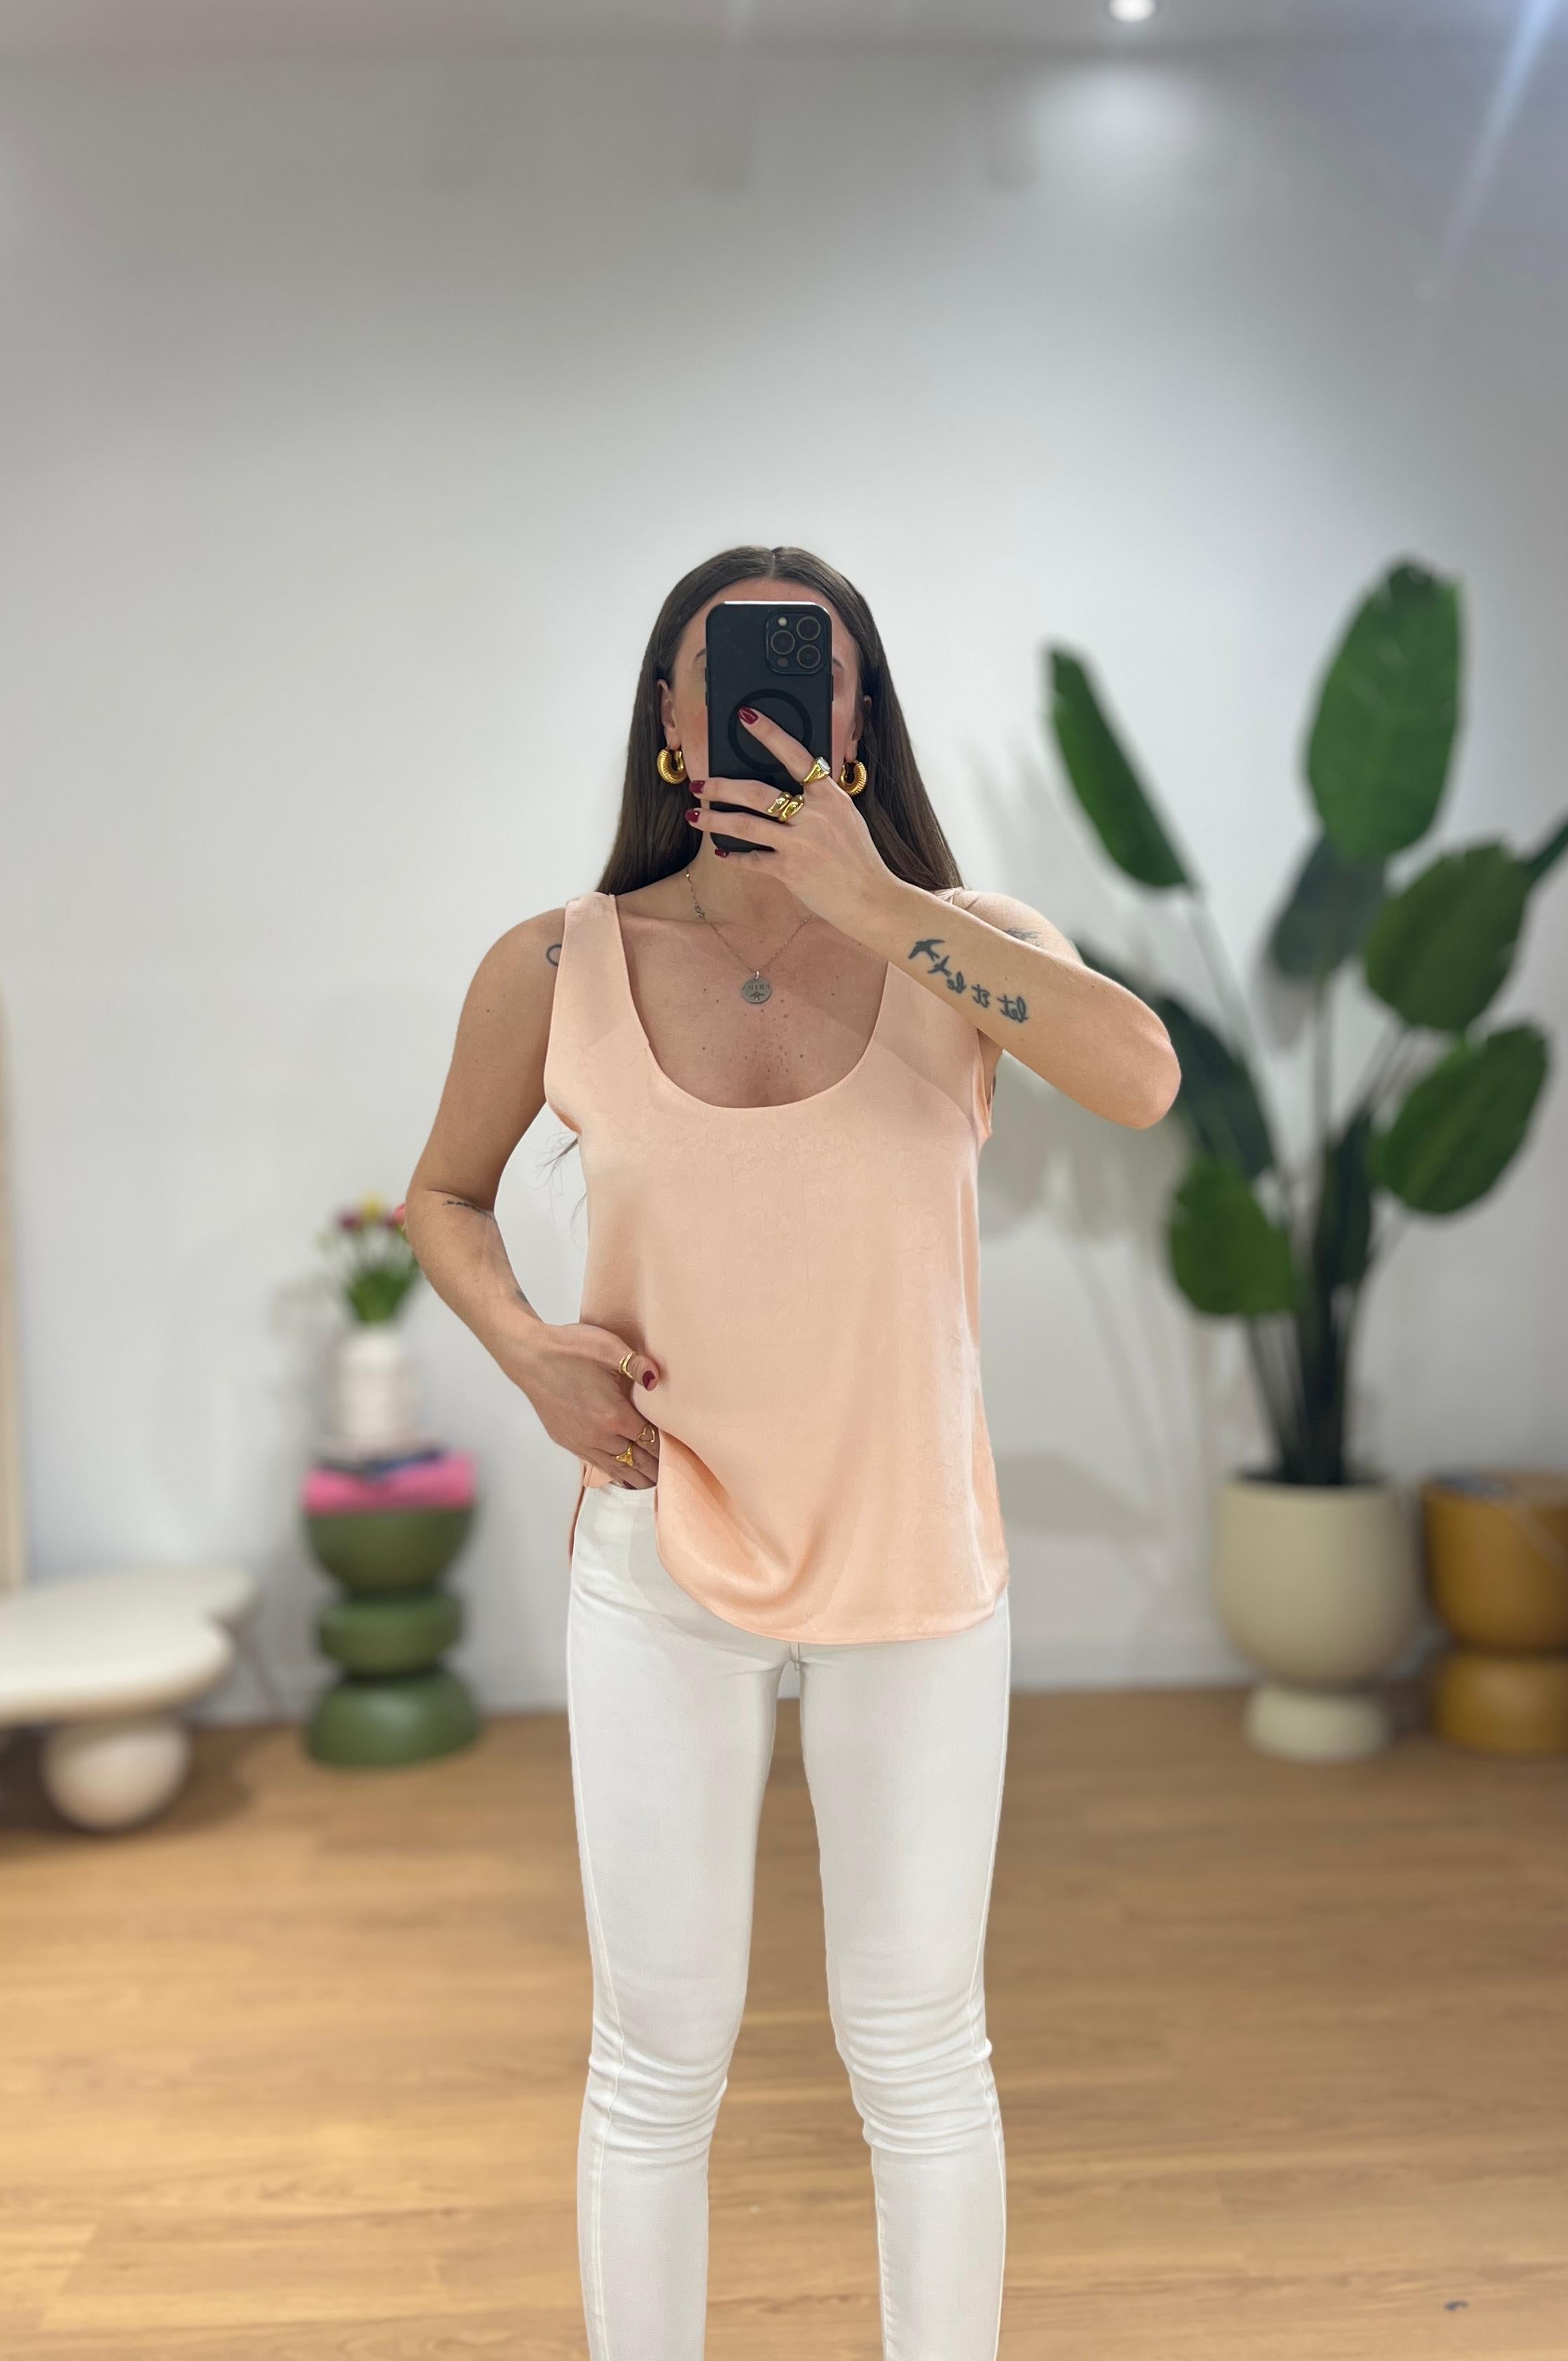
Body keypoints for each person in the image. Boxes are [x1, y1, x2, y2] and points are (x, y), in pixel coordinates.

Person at [405, 544, 1180, 2360]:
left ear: (861, 713)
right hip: (658, 1551)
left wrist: (877, 903)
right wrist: (526, 1350)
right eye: (737, 661)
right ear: (672, 718)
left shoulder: (963, 942)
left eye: (820, 667)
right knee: (656, 2057)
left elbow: (1143, 1078)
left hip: (915, 1565)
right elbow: (443, 1193)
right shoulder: (560, 961)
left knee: (919, 2051)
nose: (778, 688)